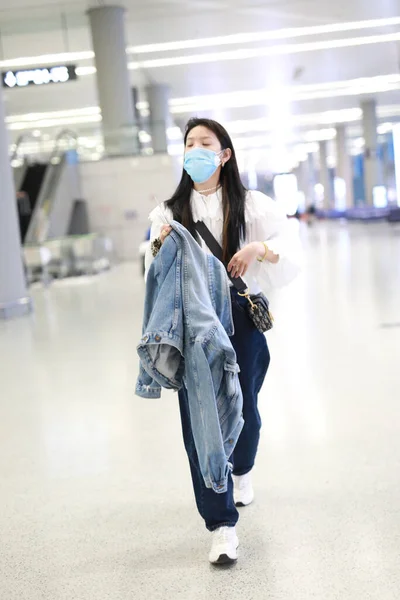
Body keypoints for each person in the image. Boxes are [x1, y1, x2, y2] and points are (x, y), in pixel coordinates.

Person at [145, 117, 301, 565]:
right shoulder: (169, 211)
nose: (195, 149)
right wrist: (159, 248)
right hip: (193, 327)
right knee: (200, 424)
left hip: (241, 319)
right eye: (189, 142)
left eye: (205, 142)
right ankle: (221, 525)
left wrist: (258, 250)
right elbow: (152, 273)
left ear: (224, 154)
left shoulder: (251, 205)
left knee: (245, 406)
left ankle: (243, 468)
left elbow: (290, 247)